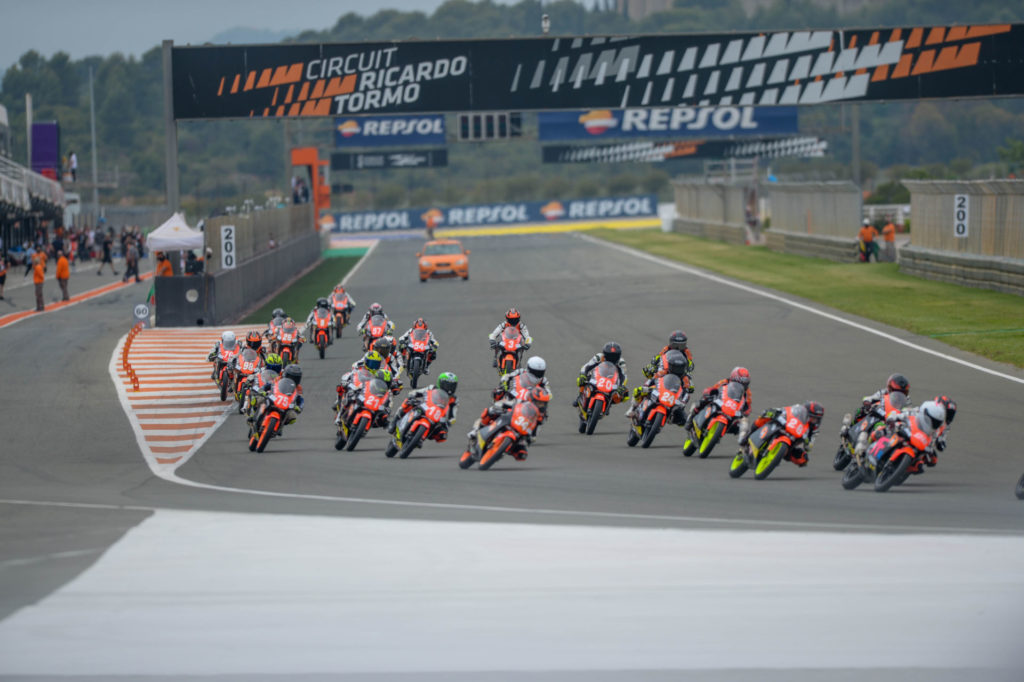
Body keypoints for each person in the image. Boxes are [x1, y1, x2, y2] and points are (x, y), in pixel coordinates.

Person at [739, 401, 824, 467]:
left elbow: (808, 447)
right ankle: (747, 436)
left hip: (792, 441)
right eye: (812, 417)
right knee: (765, 416)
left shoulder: (813, 430)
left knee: (803, 459)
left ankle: (775, 457)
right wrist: (776, 411)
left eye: (816, 419)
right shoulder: (798, 412)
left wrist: (808, 442)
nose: (814, 420)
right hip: (783, 427)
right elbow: (786, 410)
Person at [625, 349, 692, 421]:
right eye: (676, 367)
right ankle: (633, 408)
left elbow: (686, 392)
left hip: (674, 395)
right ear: (671, 366)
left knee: (683, 419)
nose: (678, 370)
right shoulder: (663, 372)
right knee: (638, 391)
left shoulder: (685, 378)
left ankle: (671, 416)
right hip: (659, 388)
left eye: (680, 368)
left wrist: (682, 403)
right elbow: (651, 380)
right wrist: (645, 387)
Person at [387, 372, 460, 436]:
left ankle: (421, 437)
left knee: (442, 434)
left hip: (437, 416)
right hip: (425, 407)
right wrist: (413, 395)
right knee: (408, 402)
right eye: (446, 385)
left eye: (452, 386)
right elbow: (419, 391)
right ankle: (395, 421)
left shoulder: (454, 399)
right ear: (440, 383)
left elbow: (453, 416)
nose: (449, 388)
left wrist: (448, 423)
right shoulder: (432, 388)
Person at [685, 366, 753, 431]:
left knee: (744, 422)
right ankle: (691, 417)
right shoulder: (724, 382)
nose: (741, 385)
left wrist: (745, 412)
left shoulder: (747, 392)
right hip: (720, 402)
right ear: (732, 378)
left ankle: (743, 439)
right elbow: (713, 389)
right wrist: (708, 393)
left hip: (733, 410)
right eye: (738, 382)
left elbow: (748, 405)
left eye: (744, 384)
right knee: (702, 401)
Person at [573, 341, 629, 407]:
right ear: (605, 354)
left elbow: (623, 375)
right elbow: (586, 366)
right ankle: (580, 396)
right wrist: (583, 375)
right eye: (609, 356)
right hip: (597, 375)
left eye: (614, 357)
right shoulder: (599, 357)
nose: (611, 359)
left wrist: (621, 386)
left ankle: (608, 403)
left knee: (625, 394)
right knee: (582, 379)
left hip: (611, 379)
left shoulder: (621, 362)